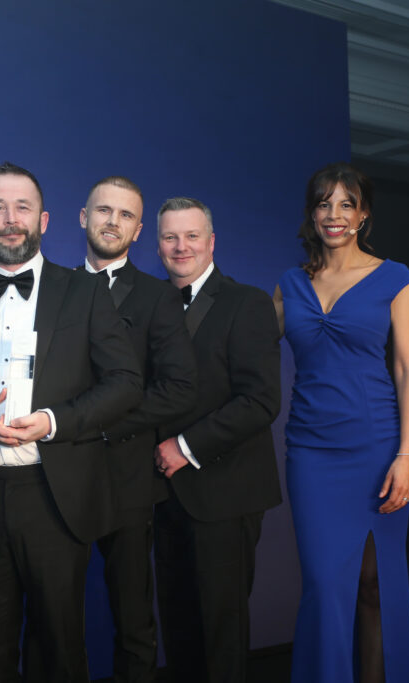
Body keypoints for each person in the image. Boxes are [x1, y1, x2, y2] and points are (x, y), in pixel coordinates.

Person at [0, 162, 143, 682]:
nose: (10, 219)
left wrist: (53, 420)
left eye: (22, 207)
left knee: (60, 648)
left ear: (45, 220)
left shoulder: (86, 292)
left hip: (53, 494)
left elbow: (125, 383)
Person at [273, 162, 409, 682]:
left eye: (345, 203)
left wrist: (407, 455)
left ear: (363, 214)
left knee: (375, 583)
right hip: (311, 453)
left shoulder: (394, 278)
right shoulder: (289, 284)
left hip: (379, 446)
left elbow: (407, 369)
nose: (334, 214)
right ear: (312, 214)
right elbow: (245, 353)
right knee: (322, 585)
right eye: (323, 203)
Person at [152, 197, 282, 683]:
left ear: (211, 242)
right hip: (162, 495)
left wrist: (183, 448)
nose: (180, 246)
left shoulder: (246, 303)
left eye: (191, 236)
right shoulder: (150, 303)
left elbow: (261, 400)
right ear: (158, 243)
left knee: (221, 634)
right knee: (179, 628)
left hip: (226, 491)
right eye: (170, 237)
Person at [77, 177, 197, 683]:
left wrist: (101, 426)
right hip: (56, 476)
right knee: (53, 614)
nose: (112, 221)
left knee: (132, 616)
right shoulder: (52, 285)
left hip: (126, 475)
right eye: (103, 210)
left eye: (125, 215)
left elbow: (179, 388)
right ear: (83, 217)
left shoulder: (158, 298)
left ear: (138, 229)